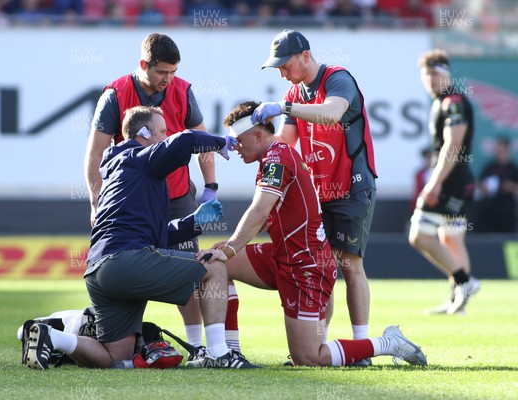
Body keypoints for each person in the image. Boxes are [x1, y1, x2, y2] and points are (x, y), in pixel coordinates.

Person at [194, 101, 426, 367]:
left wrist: (230, 248)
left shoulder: (276, 157)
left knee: (307, 358)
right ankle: (225, 353)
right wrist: (225, 249)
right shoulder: (273, 155)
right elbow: (263, 217)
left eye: (238, 140)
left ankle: (388, 343)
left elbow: (259, 211)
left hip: (306, 265)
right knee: (215, 263)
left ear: (258, 135)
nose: (233, 147)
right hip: (288, 256)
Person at [25, 106, 259, 369]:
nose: (165, 136)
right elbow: (186, 139)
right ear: (144, 133)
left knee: (116, 358)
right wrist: (218, 143)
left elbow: (152, 235)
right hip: (126, 261)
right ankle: (218, 353)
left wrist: (194, 222)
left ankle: (53, 337)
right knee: (214, 267)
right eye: (162, 131)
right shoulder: (140, 159)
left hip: (98, 271)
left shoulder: (121, 171)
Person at [84, 33, 235, 352]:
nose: (168, 79)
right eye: (161, 72)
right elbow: (95, 151)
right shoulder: (116, 93)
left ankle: (196, 345)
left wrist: (210, 187)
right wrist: (96, 201)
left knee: (190, 266)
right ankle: (214, 351)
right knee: (200, 267)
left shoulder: (183, 90)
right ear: (143, 65)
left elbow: (198, 138)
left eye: (173, 72)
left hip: (176, 195)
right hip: (136, 196)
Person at [251, 29, 378, 365]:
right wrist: (247, 145)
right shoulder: (294, 92)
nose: (280, 71)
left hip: (352, 186)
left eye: (284, 64)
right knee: (326, 269)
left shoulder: (338, 79)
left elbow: (331, 114)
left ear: (305, 56)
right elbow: (284, 144)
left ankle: (362, 346)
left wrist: (283, 106)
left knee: (351, 266)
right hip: (318, 191)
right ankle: (316, 345)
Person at [408, 49, 480, 315]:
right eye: (426, 76)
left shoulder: (453, 102)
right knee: (452, 240)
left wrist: (434, 182)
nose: (430, 81)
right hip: (457, 180)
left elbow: (453, 144)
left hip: (452, 181)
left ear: (447, 74)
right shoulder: (442, 101)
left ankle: (465, 282)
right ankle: (457, 302)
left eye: (435, 74)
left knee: (418, 236)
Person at [475, 136, 518, 232]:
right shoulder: (489, 166)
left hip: (507, 210)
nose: (499, 152)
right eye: (497, 149)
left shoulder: (513, 168)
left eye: (501, 149)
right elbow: (479, 184)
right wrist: (484, 186)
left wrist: (510, 187)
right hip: (489, 209)